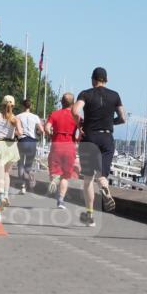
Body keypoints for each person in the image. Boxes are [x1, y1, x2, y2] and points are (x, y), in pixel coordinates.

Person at [72, 67, 126, 225]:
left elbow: (75, 110)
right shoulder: (115, 95)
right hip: (106, 137)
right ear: (106, 80)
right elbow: (123, 117)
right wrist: (111, 122)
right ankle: (105, 188)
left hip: (89, 136)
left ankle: (90, 215)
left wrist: (80, 123)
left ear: (93, 80)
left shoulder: (85, 94)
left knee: (88, 179)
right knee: (101, 175)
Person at [44, 93, 79, 209]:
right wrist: (77, 139)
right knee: (65, 176)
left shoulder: (54, 114)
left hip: (57, 144)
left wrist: (50, 135)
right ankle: (61, 200)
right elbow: (81, 132)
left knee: (54, 171)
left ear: (61, 102)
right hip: (70, 146)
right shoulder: (77, 117)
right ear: (73, 103)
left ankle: (54, 179)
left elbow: (47, 127)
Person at [0, 95, 23, 208]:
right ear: (13, 106)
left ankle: (1, 196)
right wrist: (14, 131)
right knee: (7, 173)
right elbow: (20, 132)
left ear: (2, 104)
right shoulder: (15, 118)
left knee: (0, 173)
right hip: (10, 146)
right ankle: (6, 196)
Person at [15, 98, 44, 194]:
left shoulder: (18, 116)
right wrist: (38, 132)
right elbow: (42, 130)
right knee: (28, 166)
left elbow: (14, 130)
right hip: (32, 142)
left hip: (22, 141)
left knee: (20, 164)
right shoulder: (35, 117)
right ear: (30, 106)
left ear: (23, 106)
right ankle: (30, 176)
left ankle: (23, 186)